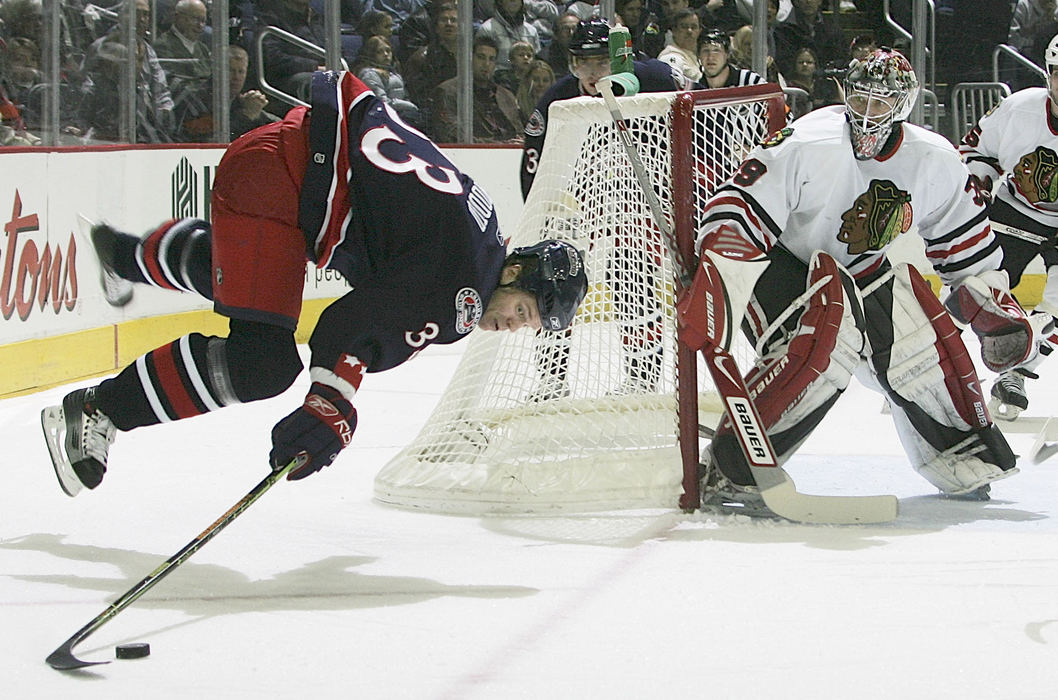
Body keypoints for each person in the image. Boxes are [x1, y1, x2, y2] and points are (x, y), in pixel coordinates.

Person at [40, 69, 588, 498]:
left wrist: (334, 399)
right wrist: (330, 406)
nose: (512, 326)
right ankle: (98, 410)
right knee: (263, 363)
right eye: (523, 311)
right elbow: (350, 327)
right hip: (279, 181)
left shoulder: (483, 232)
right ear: (516, 273)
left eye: (526, 326)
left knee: (255, 282)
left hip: (291, 159)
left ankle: (124, 256)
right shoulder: (462, 293)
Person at [677, 49, 1036, 511]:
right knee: (825, 346)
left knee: (923, 350)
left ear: (904, 104)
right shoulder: (808, 140)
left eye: (881, 101)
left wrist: (989, 305)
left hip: (859, 270)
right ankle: (735, 467)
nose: (867, 112)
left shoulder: (935, 160)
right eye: (861, 97)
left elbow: (966, 243)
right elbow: (739, 204)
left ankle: (958, 455)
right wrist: (721, 272)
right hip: (782, 262)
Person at [520, 18, 684, 398]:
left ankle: (642, 375)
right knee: (553, 282)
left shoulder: (645, 81)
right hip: (577, 206)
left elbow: (664, 77)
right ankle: (551, 376)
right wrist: (540, 212)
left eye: (602, 62)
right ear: (572, 63)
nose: (593, 73)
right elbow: (532, 162)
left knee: (633, 284)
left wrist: (626, 66)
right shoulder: (558, 99)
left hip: (635, 202)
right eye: (584, 63)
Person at [958, 33, 1058, 419]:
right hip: (1013, 213)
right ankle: (928, 361)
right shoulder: (1019, 108)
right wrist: (979, 185)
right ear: (1048, 74)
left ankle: (1017, 371)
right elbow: (976, 150)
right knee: (975, 291)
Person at [431, 34, 522, 143]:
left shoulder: (506, 96)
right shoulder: (447, 92)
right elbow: (452, 136)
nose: (486, 64)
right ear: (469, 59)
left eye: (491, 59)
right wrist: (501, 145)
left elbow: (519, 132)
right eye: (481, 57)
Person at [354, 35, 422, 128]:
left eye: (388, 51)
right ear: (371, 54)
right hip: (383, 120)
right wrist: (411, 107)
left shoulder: (394, 72)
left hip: (400, 114)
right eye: (379, 52)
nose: (386, 54)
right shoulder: (370, 75)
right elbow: (381, 102)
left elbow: (405, 96)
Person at [772, 0, 846, 82]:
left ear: (820, 1)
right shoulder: (783, 31)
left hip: (826, 83)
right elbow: (785, 64)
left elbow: (841, 58)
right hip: (793, 85)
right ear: (796, 2)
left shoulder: (833, 30)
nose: (808, 1)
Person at [697, 27, 765, 89]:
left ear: (727, 54)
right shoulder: (695, 88)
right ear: (699, 55)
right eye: (705, 51)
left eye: (716, 50)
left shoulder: (751, 81)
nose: (710, 57)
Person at [657, 8, 703, 85]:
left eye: (694, 27)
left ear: (699, 31)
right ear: (674, 30)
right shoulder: (669, 56)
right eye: (684, 27)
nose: (689, 31)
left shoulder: (700, 56)